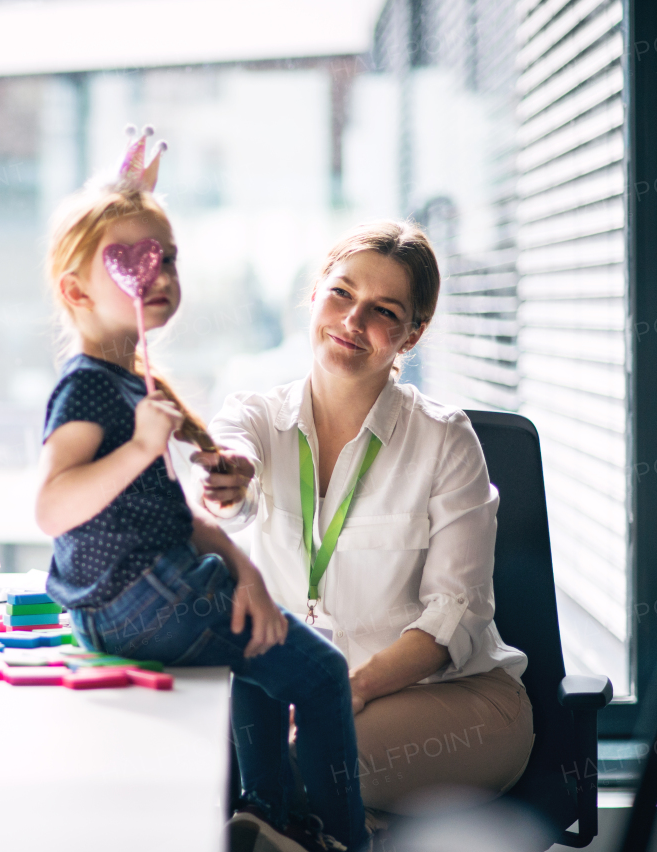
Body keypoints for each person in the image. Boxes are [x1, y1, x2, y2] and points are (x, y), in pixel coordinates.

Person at [35, 128, 368, 851]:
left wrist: (244, 572)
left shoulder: (125, 380)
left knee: (252, 668)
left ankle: (265, 823)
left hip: (128, 600)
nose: (157, 274)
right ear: (75, 291)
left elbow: (168, 516)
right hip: (140, 600)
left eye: (168, 258)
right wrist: (141, 450)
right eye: (130, 260)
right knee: (322, 676)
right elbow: (52, 505)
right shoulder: (88, 390)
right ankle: (339, 841)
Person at [193, 221, 534, 819]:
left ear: (412, 334)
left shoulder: (446, 441)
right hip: (305, 699)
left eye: (383, 311)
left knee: (292, 764)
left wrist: (346, 689)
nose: (352, 322)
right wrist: (231, 481)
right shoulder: (253, 417)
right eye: (342, 293)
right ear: (316, 292)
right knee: (223, 761)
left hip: (454, 702)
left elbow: (455, 616)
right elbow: (231, 479)